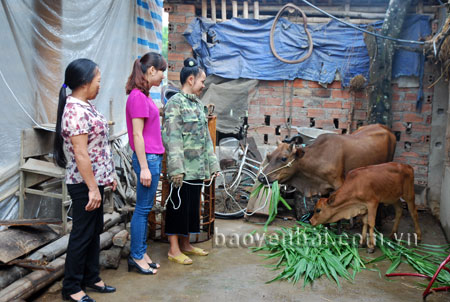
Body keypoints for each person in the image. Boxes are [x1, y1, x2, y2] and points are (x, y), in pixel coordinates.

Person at [54, 58, 117, 302]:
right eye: (98, 80)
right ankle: (71, 287)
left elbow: (98, 147)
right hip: (83, 184)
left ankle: (91, 277)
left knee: (93, 232)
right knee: (82, 234)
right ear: (84, 82)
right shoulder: (74, 111)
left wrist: (107, 176)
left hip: (95, 181)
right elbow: (81, 154)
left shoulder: (86, 105)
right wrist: (92, 188)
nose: (100, 85)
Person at [162, 58, 219, 265]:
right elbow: (172, 138)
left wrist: (213, 166)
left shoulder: (197, 104)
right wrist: (176, 169)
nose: (204, 85)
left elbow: (206, 139)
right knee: (178, 207)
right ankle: (174, 249)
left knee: (191, 208)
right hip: (183, 169)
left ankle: (186, 245)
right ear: (191, 79)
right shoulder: (175, 104)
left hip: (197, 169)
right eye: (202, 81)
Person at [125, 52, 167, 274]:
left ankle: (141, 252)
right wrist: (143, 167)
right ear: (152, 71)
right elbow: (138, 136)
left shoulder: (143, 96)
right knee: (142, 210)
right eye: (162, 72)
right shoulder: (138, 98)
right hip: (147, 159)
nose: (162, 77)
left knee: (145, 208)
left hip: (151, 157)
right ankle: (137, 256)